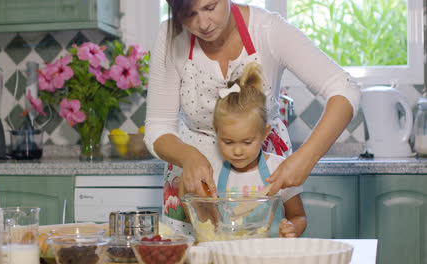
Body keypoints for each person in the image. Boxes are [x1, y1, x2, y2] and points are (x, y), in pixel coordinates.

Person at [144, 0, 360, 234]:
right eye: (188, 14)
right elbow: (157, 126)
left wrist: (305, 158)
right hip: (193, 185)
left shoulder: (268, 31)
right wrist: (187, 157)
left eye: (210, 7)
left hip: (262, 181)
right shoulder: (170, 37)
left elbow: (345, 88)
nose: (203, 23)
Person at [212, 62, 306, 237]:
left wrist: (290, 230)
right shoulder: (214, 174)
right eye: (228, 142)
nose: (237, 151)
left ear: (264, 133)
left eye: (247, 142)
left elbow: (298, 216)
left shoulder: (279, 170)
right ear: (216, 132)